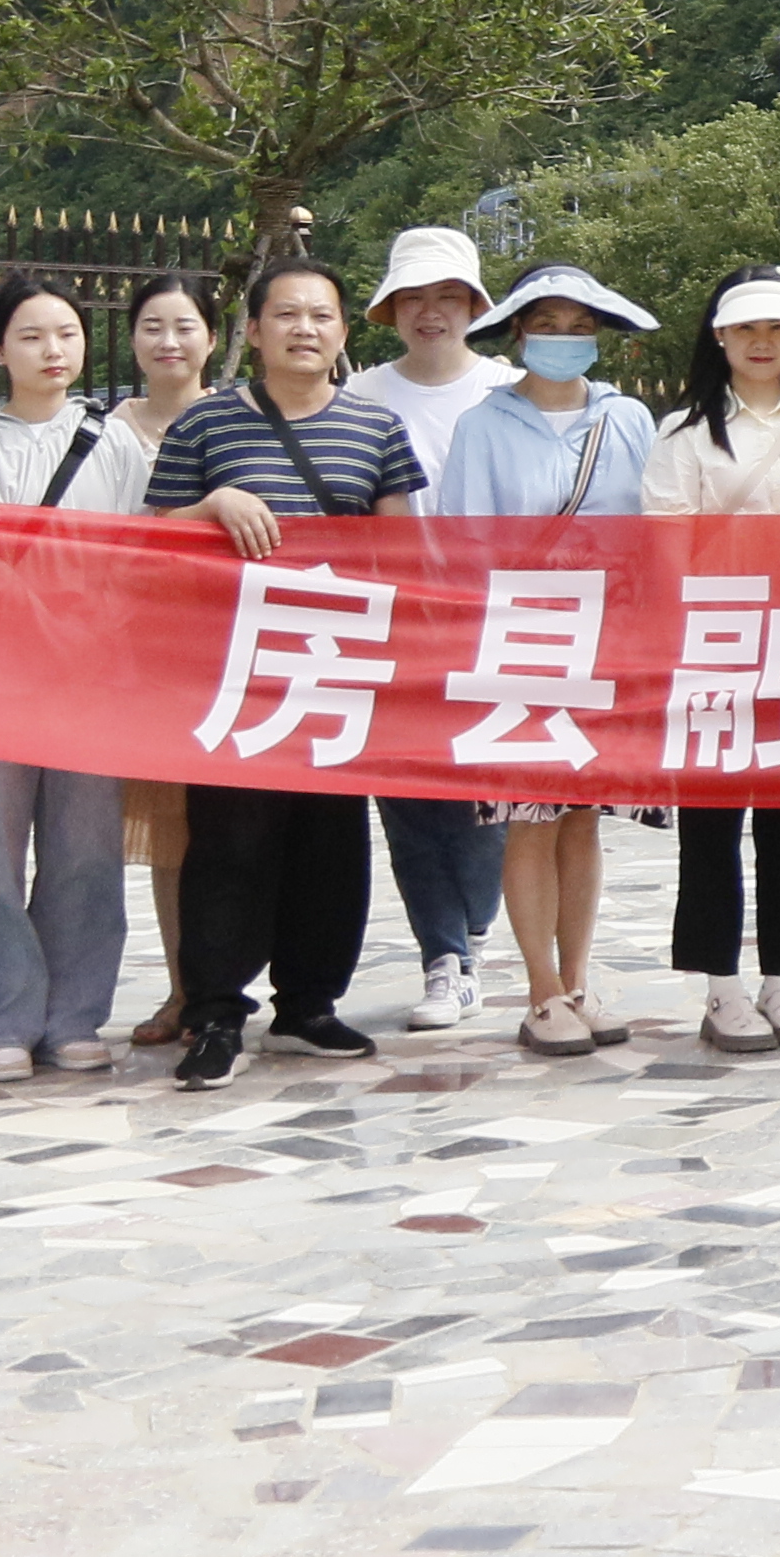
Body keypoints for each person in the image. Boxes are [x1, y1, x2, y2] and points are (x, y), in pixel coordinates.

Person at [144, 258, 428, 1086]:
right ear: (256, 330)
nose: (306, 329)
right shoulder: (204, 428)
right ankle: (215, 1014)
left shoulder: (376, 430)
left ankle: (308, 1006)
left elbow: (400, 552)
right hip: (236, 666)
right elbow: (152, 536)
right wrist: (213, 507)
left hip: (337, 664)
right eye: (288, 315)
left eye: (323, 316)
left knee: (331, 842)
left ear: (342, 333)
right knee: (229, 841)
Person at [0, 276, 152, 1077]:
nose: (53, 351)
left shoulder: (115, 440)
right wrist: (41, 609)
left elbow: (141, 552)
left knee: (86, 848)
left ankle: (75, 1014)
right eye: (31, 336)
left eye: (66, 334)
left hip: (92, 679)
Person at [434, 262, 663, 1056]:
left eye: (578, 326)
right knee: (528, 817)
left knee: (583, 816)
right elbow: (461, 543)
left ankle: (576, 978)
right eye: (548, 325)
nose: (563, 340)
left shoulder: (630, 418)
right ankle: (537, 990)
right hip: (521, 630)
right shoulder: (483, 424)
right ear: (519, 333)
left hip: (611, 633)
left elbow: (656, 528)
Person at [645, 266, 780, 1054]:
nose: (762, 343)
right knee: (713, 819)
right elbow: (665, 543)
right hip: (714, 642)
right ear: (719, 338)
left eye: (778, 329)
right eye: (746, 330)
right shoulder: (682, 432)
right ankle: (721, 985)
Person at [354, 227, 520, 1029]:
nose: (432, 313)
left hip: (496, 618)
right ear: (391, 310)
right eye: (415, 298)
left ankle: (476, 934)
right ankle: (441, 954)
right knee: (408, 797)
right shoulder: (359, 396)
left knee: (487, 793)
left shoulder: (513, 390)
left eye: (447, 297)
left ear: (474, 306)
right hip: (391, 621)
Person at [105, 274, 223, 1051]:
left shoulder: (242, 420)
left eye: (185, 325)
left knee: (243, 830)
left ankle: (241, 988)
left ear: (213, 337)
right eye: (153, 325)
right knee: (170, 838)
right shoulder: (106, 433)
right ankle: (185, 988)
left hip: (237, 651)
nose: (169, 341)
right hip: (147, 659)